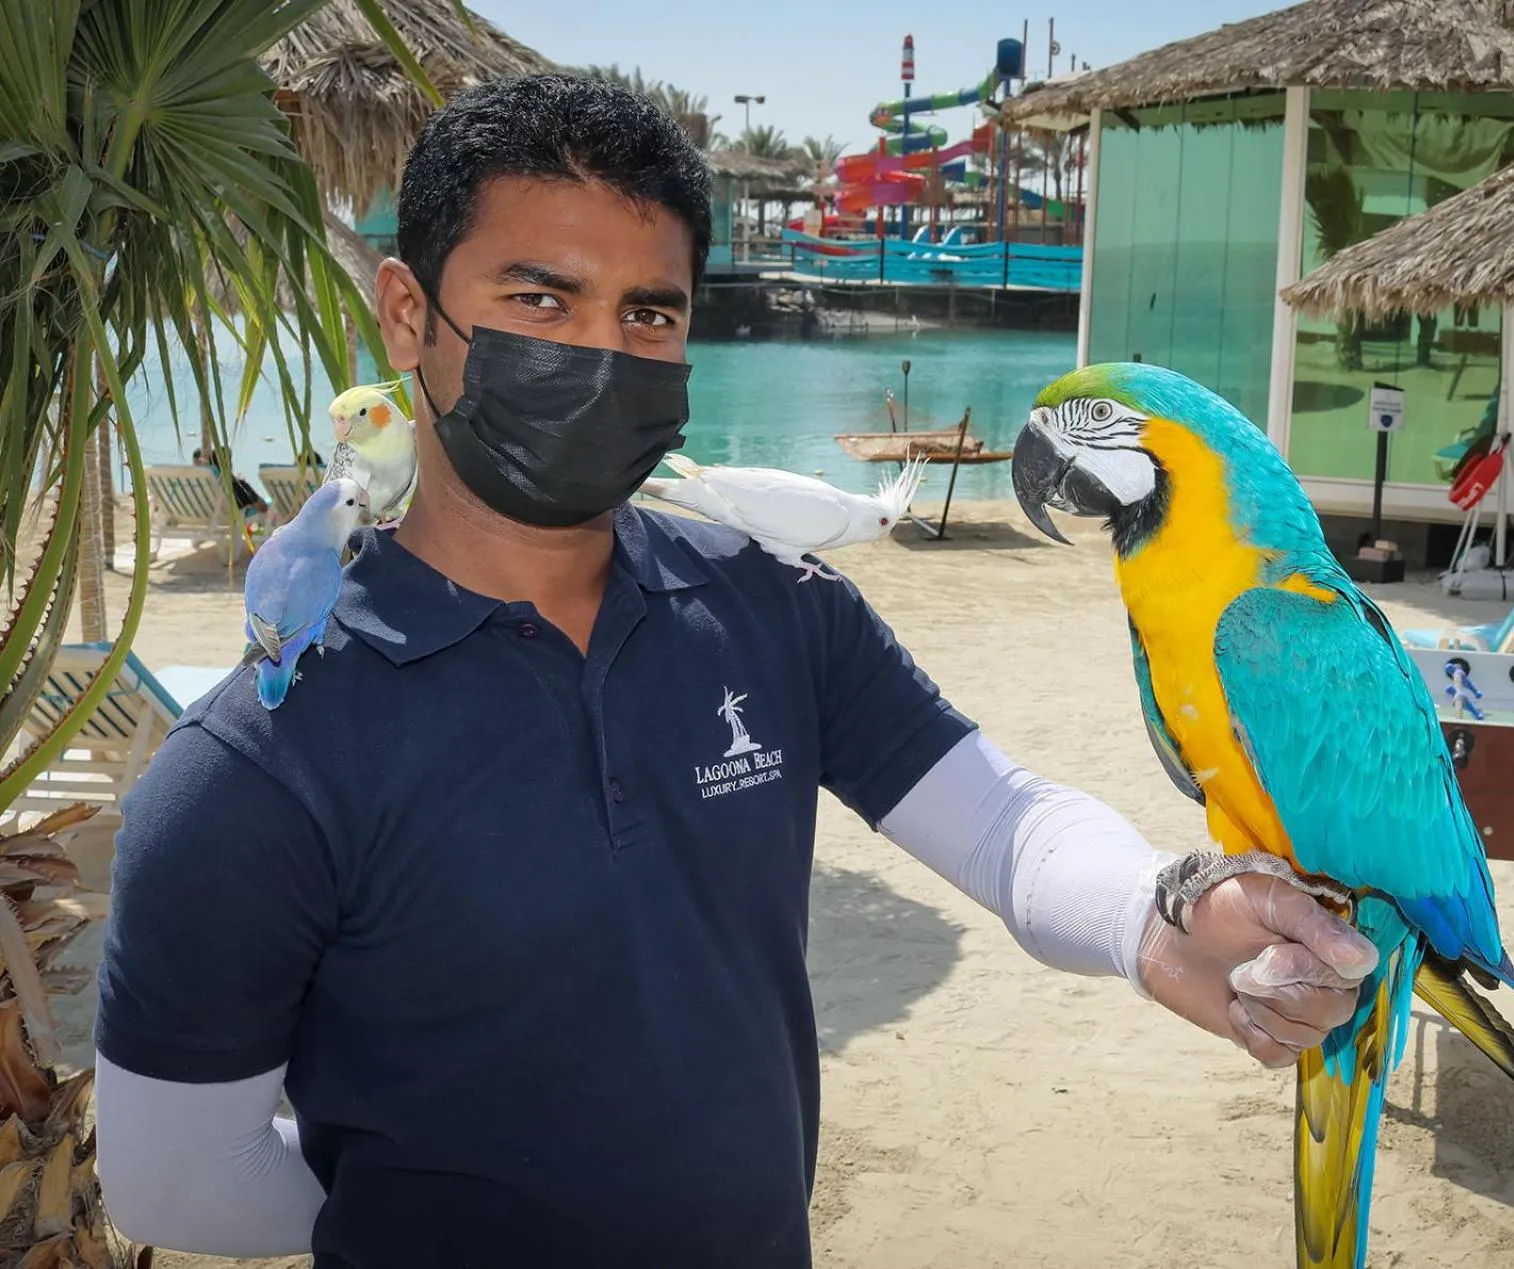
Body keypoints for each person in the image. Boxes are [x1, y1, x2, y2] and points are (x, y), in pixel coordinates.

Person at [94, 75, 1377, 1268]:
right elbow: (169, 1183)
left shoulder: (775, 611)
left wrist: (1151, 921)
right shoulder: (256, 768)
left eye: (648, 313)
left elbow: (1006, 827)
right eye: (542, 301)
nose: (602, 352)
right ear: (407, 311)